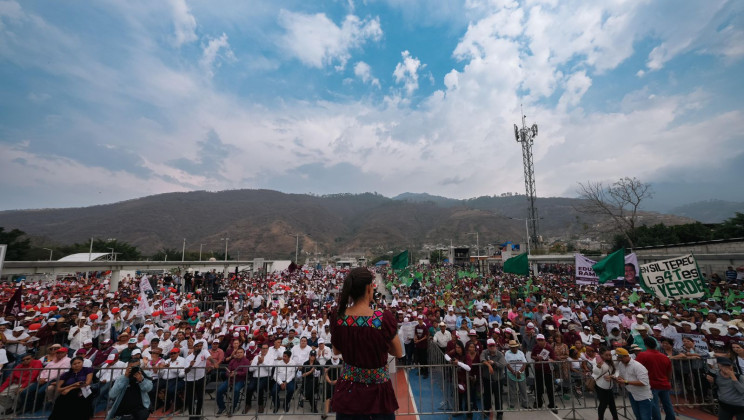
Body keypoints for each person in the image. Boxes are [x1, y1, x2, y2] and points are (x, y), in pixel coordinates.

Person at [329, 267, 403, 419]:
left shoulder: (339, 316)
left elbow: (336, 351)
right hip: (378, 394)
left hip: (348, 393)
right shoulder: (382, 318)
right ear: (369, 287)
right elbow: (398, 352)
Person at [635, 337, 675, 420]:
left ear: (645, 345)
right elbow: (669, 372)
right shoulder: (664, 356)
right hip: (664, 384)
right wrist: (668, 380)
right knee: (667, 404)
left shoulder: (642, 355)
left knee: (655, 405)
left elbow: (635, 368)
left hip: (652, 385)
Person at [48, 356, 94, 420]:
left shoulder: (88, 370)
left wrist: (70, 388)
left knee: (76, 396)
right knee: (60, 399)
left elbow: (87, 382)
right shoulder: (66, 374)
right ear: (71, 365)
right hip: (67, 391)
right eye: (74, 364)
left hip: (83, 389)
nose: (77, 365)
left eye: (79, 362)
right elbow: (58, 389)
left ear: (82, 362)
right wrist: (72, 385)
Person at [613, 347, 653, 420]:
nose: (620, 360)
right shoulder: (621, 364)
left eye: (621, 358)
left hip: (643, 396)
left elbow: (644, 382)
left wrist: (626, 382)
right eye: (618, 358)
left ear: (626, 356)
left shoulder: (638, 366)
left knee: (645, 417)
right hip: (632, 394)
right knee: (638, 416)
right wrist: (618, 378)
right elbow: (621, 376)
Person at [216, 347, 251, 416]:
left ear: (244, 353)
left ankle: (233, 407)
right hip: (230, 379)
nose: (239, 354)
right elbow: (228, 370)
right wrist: (229, 374)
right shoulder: (233, 360)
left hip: (240, 380)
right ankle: (222, 407)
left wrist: (236, 373)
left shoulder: (246, 361)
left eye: (241, 352)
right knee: (219, 390)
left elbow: (245, 372)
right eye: (238, 352)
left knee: (236, 390)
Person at [480, 338, 506, 420]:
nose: (492, 347)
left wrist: (494, 363)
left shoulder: (500, 354)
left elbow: (503, 364)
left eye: (493, 345)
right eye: (490, 346)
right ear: (487, 346)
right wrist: (489, 365)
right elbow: (482, 359)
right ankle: (487, 410)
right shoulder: (485, 352)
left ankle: (499, 413)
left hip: (498, 379)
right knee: (487, 396)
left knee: (498, 397)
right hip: (487, 378)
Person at [183, 339, 208, 420]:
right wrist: (190, 366)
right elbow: (186, 371)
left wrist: (214, 363)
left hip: (200, 378)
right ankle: (191, 415)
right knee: (190, 398)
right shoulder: (188, 358)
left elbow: (210, 358)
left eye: (201, 346)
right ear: (194, 347)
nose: (199, 347)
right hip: (190, 380)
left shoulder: (204, 352)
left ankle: (198, 414)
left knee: (200, 398)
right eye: (197, 346)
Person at [592, 347, 618, 420]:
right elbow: (595, 372)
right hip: (600, 386)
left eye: (610, 355)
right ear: (601, 355)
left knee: (612, 404)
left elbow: (615, 371)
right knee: (603, 404)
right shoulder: (596, 360)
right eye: (606, 355)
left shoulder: (610, 361)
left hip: (609, 386)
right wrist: (598, 366)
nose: (609, 357)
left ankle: (615, 418)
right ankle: (600, 418)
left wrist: (612, 376)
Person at [504, 339, 529, 409]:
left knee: (523, 389)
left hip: (521, 373)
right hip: (511, 373)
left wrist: (520, 372)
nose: (514, 348)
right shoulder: (507, 353)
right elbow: (507, 364)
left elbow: (524, 363)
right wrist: (513, 372)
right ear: (510, 348)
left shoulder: (521, 353)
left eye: (515, 347)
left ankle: (525, 403)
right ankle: (511, 403)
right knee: (512, 389)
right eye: (512, 347)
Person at [322, 354, 342, 420]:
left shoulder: (342, 362)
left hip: (340, 381)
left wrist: (337, 381)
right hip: (329, 381)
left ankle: (339, 411)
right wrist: (330, 381)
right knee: (327, 393)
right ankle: (326, 412)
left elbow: (344, 373)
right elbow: (325, 373)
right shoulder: (328, 362)